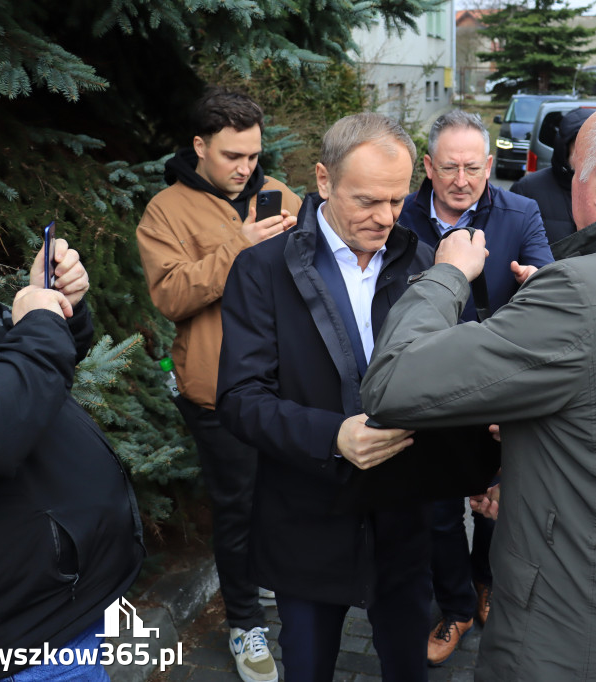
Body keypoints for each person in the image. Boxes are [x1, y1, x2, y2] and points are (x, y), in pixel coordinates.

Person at [361, 96, 596, 681]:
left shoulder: (582, 292)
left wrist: (447, 274)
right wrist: (531, 470)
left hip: (568, 639)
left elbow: (392, 382)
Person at [215, 112, 435, 682]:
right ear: (323, 180)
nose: (386, 218)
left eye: (397, 199)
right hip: (306, 519)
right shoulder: (262, 269)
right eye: (366, 200)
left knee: (407, 667)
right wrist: (332, 436)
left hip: (402, 518)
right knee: (308, 666)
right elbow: (239, 398)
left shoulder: (424, 263)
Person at [136, 86, 300, 682]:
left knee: (285, 498)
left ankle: (278, 586)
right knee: (237, 510)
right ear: (200, 146)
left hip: (287, 386)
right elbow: (172, 295)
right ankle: (245, 623)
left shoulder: (283, 196)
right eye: (233, 155)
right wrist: (240, 246)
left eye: (254, 155)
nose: (246, 168)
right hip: (217, 391)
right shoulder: (166, 211)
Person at [398, 108, 553, 664]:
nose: (461, 180)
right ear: (427, 166)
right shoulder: (402, 216)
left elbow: (545, 286)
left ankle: (486, 582)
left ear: (490, 165)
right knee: (439, 512)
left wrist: (539, 284)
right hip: (431, 388)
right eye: (448, 168)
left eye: (472, 167)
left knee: (495, 503)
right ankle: (457, 606)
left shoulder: (522, 211)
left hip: (496, 390)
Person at [0, 240, 144, 681]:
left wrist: (61, 306)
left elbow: (21, 366)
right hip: (15, 640)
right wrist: (40, 320)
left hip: (59, 607)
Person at [510, 106, 594, 248]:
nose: (588, 157)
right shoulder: (527, 189)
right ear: (565, 149)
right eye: (580, 148)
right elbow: (509, 245)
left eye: (594, 149)